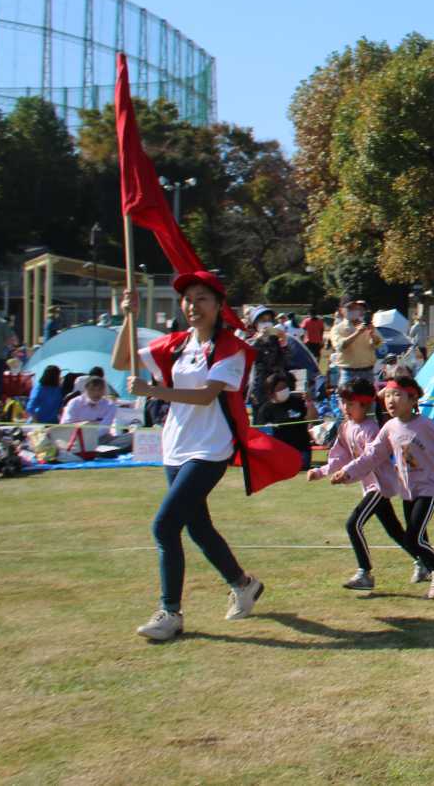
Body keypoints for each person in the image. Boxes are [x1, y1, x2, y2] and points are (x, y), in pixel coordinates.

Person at [112, 274, 281, 643]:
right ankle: (243, 584)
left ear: (219, 306)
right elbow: (122, 359)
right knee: (197, 526)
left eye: (202, 298)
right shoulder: (175, 345)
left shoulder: (229, 349)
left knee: (164, 526)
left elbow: (207, 396)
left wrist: (154, 390)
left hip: (211, 447)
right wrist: (127, 317)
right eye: (188, 299)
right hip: (175, 446)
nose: (193, 305)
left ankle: (169, 612)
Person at [331, 375, 434, 600]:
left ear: (413, 400)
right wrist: (348, 471)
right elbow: (372, 455)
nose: (391, 400)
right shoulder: (389, 427)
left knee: (413, 538)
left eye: (397, 394)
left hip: (429, 489)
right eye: (388, 395)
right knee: (418, 538)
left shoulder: (427, 426)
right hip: (407, 490)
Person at [307, 379, 411, 591]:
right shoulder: (346, 427)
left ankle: (365, 573)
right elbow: (339, 457)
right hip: (370, 487)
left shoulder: (372, 429)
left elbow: (369, 458)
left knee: (352, 524)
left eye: (350, 403)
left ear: (364, 404)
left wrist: (346, 473)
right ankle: (426, 561)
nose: (345, 407)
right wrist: (320, 472)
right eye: (343, 402)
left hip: (379, 488)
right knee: (395, 531)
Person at [257, 372, 312, 470]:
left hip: (301, 449)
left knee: (300, 466)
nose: (284, 390)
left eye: (285, 387)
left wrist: (309, 402)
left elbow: (313, 418)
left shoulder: (298, 401)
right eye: (279, 389)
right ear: (271, 392)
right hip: (280, 451)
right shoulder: (265, 409)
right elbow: (262, 435)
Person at [246, 308, 292, 421]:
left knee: (279, 420)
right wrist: (259, 339)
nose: (266, 322)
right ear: (255, 324)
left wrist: (284, 343)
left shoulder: (275, 339)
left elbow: (286, 360)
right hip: (259, 387)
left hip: (276, 386)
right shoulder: (251, 342)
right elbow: (248, 356)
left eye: (268, 319)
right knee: (260, 419)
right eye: (262, 320)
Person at [328, 298, 381, 392]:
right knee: (348, 404)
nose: (354, 310)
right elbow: (340, 346)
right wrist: (357, 333)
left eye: (356, 308)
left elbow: (378, 344)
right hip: (349, 373)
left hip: (368, 373)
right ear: (341, 310)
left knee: (369, 404)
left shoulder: (367, 326)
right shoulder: (337, 329)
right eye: (350, 308)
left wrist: (372, 334)